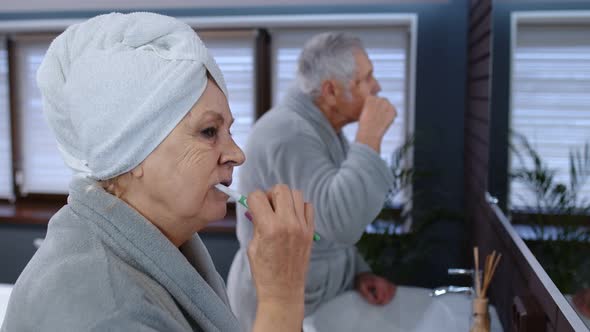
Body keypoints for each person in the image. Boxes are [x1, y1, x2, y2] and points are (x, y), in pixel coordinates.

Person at [0, 12, 315, 332]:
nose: (237, 154)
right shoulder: (105, 314)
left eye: (229, 132)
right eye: (209, 131)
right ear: (131, 152)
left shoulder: (164, 243)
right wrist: (281, 297)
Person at [227, 32, 398, 331]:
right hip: (279, 306)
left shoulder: (321, 128)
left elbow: (321, 220)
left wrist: (358, 272)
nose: (378, 87)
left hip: (316, 295)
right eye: (367, 79)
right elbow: (341, 221)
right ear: (332, 90)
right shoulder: (289, 134)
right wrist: (369, 137)